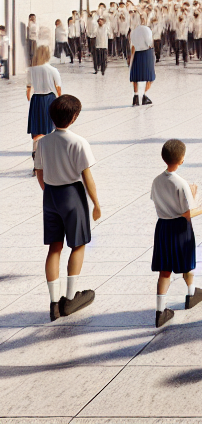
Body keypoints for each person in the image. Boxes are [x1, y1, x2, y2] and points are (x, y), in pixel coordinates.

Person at [35, 94, 101, 321]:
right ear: (73, 118)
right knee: (78, 244)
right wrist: (96, 203)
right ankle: (70, 298)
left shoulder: (42, 142)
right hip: (72, 195)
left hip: (51, 195)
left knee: (54, 247)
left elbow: (40, 173)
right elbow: (87, 177)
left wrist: (49, 191)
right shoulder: (78, 142)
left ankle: (54, 303)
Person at [151, 138, 202, 327]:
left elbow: (164, 203)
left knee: (165, 269)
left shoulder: (156, 181)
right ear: (181, 160)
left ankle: (160, 311)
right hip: (180, 228)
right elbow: (187, 214)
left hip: (163, 227)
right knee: (187, 261)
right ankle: (191, 293)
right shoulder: (181, 183)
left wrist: (191, 195)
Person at [27, 45, 61, 170]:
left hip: (36, 100)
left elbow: (28, 88)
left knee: (36, 130)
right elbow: (58, 87)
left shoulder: (31, 70)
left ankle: (35, 154)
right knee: (49, 129)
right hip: (49, 99)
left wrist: (29, 97)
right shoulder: (52, 70)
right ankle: (48, 160)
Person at [129, 15, 156, 106]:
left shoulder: (133, 31)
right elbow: (149, 42)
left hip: (137, 53)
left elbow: (132, 43)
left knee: (136, 77)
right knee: (150, 76)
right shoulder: (146, 29)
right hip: (146, 53)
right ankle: (144, 95)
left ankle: (135, 96)